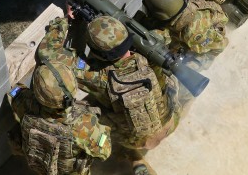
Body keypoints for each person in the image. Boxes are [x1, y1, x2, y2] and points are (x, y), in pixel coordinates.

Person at [37, 15, 182, 175]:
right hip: (170, 120)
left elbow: (47, 53)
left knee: (89, 117)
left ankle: (132, 155)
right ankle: (136, 160)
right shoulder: (149, 53)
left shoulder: (97, 76)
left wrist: (63, 21)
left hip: (133, 140)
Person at [6, 60, 111, 175]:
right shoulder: (84, 125)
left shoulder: (24, 102)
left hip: (41, 166)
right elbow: (105, 152)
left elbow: (14, 91)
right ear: (74, 86)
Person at [135, 0, 229, 71]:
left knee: (179, 69)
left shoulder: (194, 31)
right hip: (192, 14)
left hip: (208, 39)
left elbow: (218, 46)